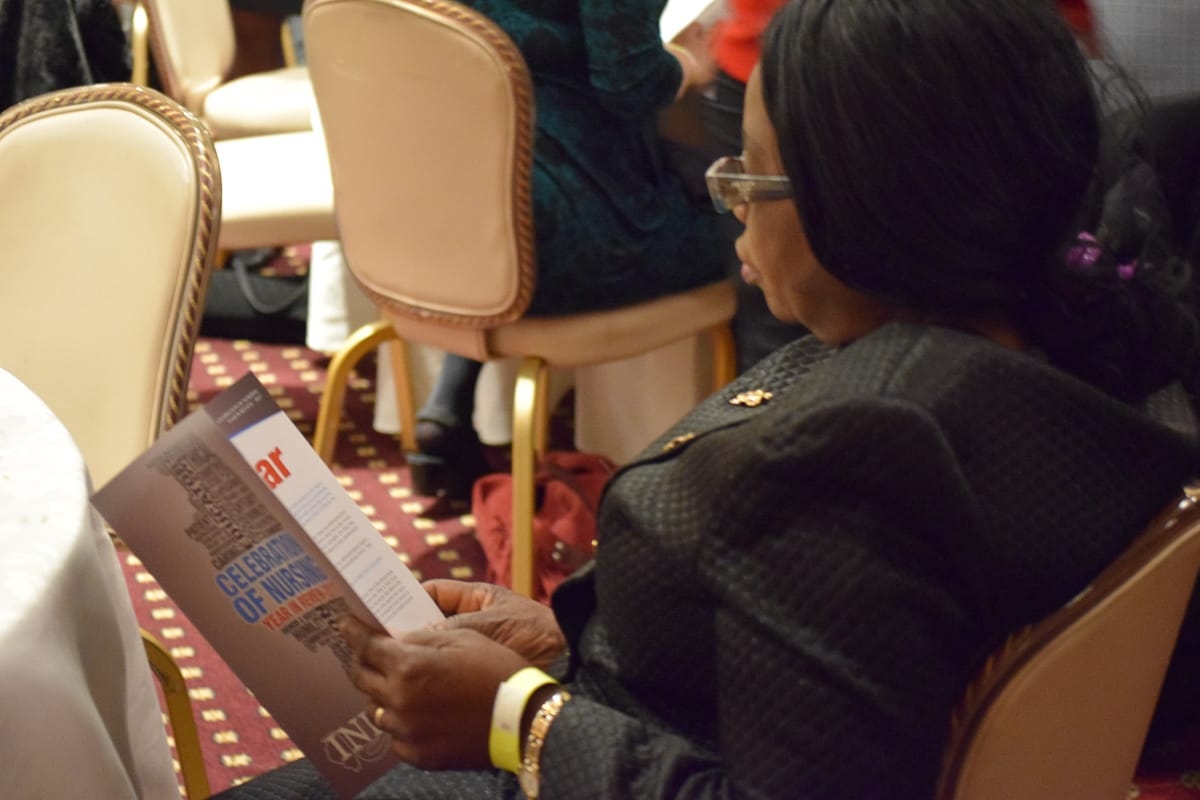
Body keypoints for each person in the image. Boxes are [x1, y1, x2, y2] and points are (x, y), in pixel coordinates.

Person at [212, 1, 1200, 797]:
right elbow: (854, 654)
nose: (728, 198)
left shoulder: (857, 452)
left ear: (860, 199)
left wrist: (522, 717)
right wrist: (564, 635)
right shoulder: (1065, 341)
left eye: (750, 173)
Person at [407, 0, 731, 499]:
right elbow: (630, 82)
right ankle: (722, 477)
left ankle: (450, 400)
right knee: (754, 220)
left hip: (433, 219)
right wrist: (689, 62)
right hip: (567, 243)